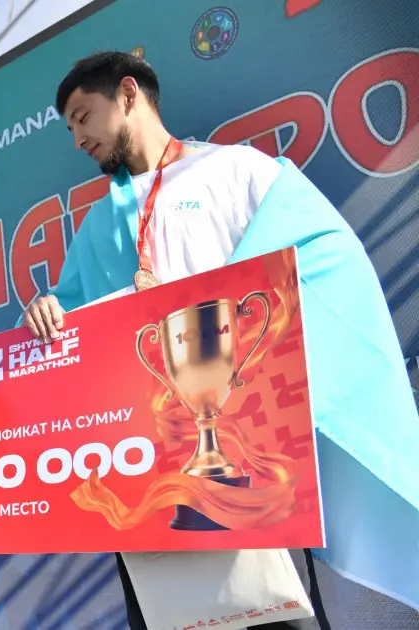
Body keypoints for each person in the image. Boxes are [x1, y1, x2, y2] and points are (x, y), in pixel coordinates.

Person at [26, 51, 419, 628]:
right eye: (70, 129)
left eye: (83, 118)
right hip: (148, 465)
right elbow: (73, 319)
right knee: (167, 616)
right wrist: (48, 309)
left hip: (246, 448)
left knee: (272, 611)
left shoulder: (237, 172)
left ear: (128, 95)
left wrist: (220, 308)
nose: (78, 138)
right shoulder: (96, 226)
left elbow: (320, 256)